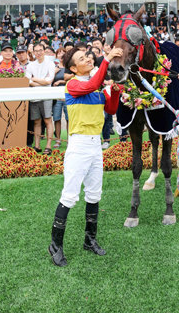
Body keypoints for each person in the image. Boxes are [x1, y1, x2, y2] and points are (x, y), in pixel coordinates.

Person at [48, 44, 123, 267]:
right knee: (70, 196)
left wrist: (116, 89)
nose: (89, 59)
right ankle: (55, 245)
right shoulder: (72, 85)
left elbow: (110, 109)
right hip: (79, 146)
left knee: (94, 194)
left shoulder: (97, 87)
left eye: (88, 57)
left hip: (95, 146)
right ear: (73, 68)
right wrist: (107, 59)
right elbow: (91, 83)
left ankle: (90, 240)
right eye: (82, 59)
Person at [25, 42, 55, 154]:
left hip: (47, 95)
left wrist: (35, 79)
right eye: (36, 51)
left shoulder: (50, 64)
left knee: (47, 120)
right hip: (34, 96)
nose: (38, 53)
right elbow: (28, 81)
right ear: (33, 52)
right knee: (36, 121)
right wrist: (41, 82)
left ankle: (48, 146)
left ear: (44, 51)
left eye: (40, 50)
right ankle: (36, 145)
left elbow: (49, 81)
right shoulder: (30, 65)